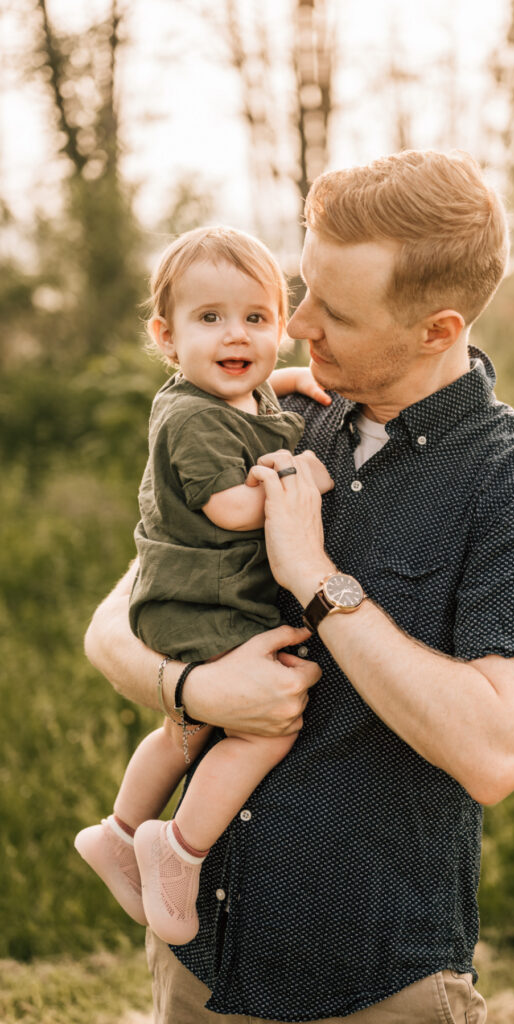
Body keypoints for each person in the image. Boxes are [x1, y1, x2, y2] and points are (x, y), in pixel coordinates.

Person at [84, 149, 514, 1024]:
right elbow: (111, 626)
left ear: (437, 328)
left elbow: (496, 752)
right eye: (301, 287)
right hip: (202, 954)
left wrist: (316, 580)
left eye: (334, 311)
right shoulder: (274, 415)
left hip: (377, 977)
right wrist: (196, 689)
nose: (296, 324)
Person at [75, 225, 333, 947]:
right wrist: (296, 475)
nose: (235, 335)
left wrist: (277, 388)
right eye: (209, 318)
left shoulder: (235, 398)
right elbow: (232, 507)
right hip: (201, 601)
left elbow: (249, 414)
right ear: (166, 336)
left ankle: (118, 833)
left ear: (279, 331)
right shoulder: (190, 418)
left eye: (255, 318)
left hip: (190, 595)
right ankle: (177, 849)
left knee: (186, 728)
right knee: (263, 726)